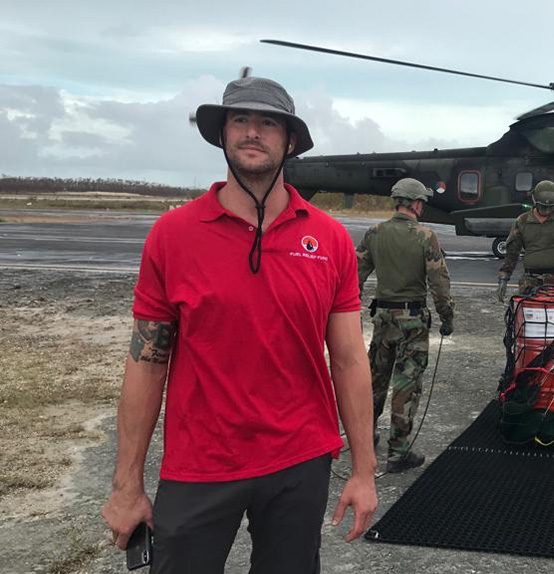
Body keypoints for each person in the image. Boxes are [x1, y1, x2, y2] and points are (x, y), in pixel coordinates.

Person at [100, 76, 378, 573]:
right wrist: (127, 486)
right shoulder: (172, 235)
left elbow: (350, 357)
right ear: (222, 134)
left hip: (300, 460)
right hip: (200, 463)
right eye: (241, 120)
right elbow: (146, 363)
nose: (253, 132)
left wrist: (364, 469)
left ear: (289, 140)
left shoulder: (330, 240)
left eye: (268, 123)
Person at [357, 177, 454, 473]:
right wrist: (446, 317)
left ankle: (365, 437)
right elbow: (439, 283)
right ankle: (398, 452)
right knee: (406, 384)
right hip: (412, 321)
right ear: (414, 203)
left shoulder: (374, 233)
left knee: (376, 378)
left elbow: (354, 275)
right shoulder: (425, 237)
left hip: (383, 318)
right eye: (421, 202)